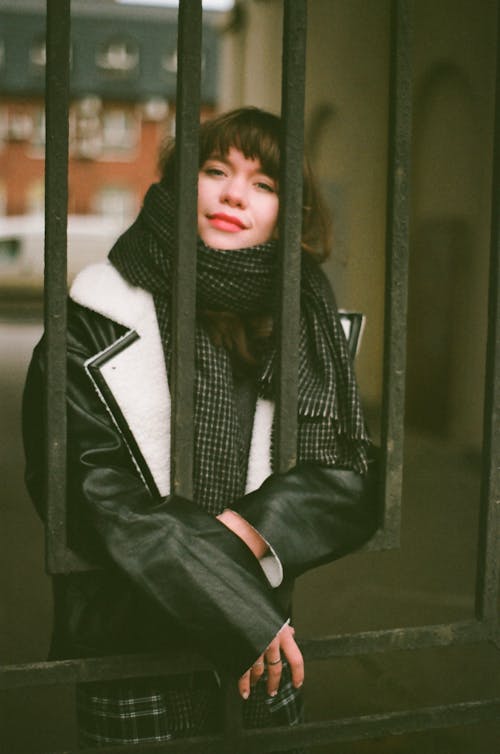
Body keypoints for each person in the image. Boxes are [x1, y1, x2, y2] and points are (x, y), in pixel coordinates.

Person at [22, 106, 378, 748]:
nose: (235, 194)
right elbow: (88, 494)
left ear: (287, 213)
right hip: (132, 641)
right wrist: (238, 604)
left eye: (264, 184)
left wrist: (245, 531)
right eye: (216, 171)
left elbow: (349, 477)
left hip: (266, 645)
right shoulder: (93, 316)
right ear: (181, 185)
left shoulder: (307, 323)